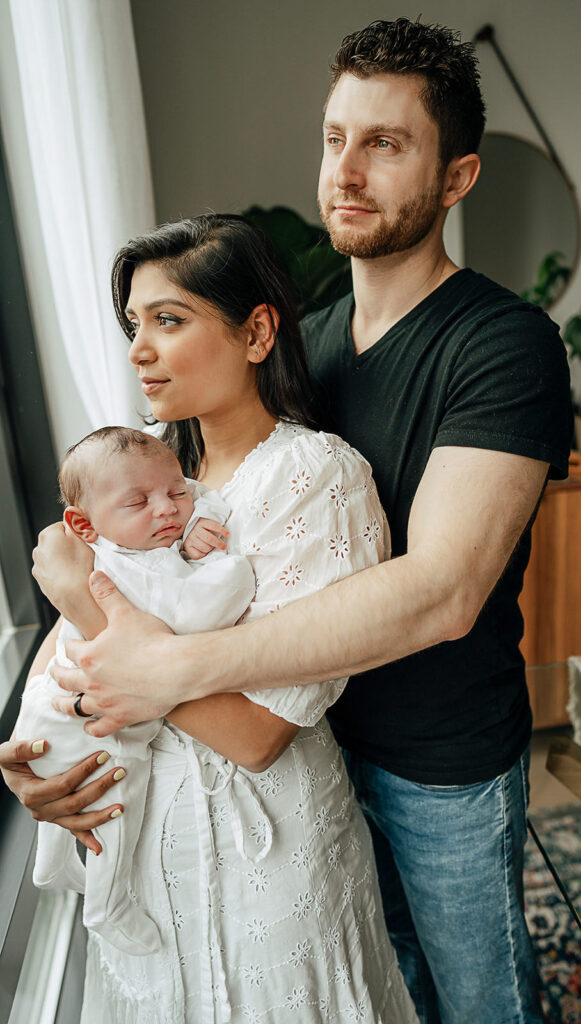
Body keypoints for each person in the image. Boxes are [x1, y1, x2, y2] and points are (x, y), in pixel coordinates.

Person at [1, 17, 572, 1024]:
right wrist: (59, 735)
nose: (343, 170)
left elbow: (439, 590)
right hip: (308, 751)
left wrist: (165, 667)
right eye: (332, 136)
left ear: (456, 177)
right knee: (371, 983)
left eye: (384, 143)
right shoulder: (301, 348)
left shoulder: (501, 341)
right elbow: (169, 549)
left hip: (435, 761)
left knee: (480, 1002)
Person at [4, 215, 420, 1024]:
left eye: (168, 320)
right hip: (152, 879)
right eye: (133, 325)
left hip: (268, 871)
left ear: (257, 330)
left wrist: (82, 599)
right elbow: (73, 663)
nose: (138, 350)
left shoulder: (314, 478)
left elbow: (257, 735)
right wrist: (35, 767)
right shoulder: (144, 480)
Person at [14, 425, 255, 956]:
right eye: (140, 501)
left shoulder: (112, 547)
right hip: (93, 719)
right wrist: (218, 561)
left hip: (47, 701)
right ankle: (107, 906)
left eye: (176, 492)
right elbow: (191, 618)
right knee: (112, 807)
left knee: (60, 798)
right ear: (85, 524)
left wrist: (188, 533)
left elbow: (186, 511)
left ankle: (50, 866)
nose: (167, 510)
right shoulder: (130, 567)